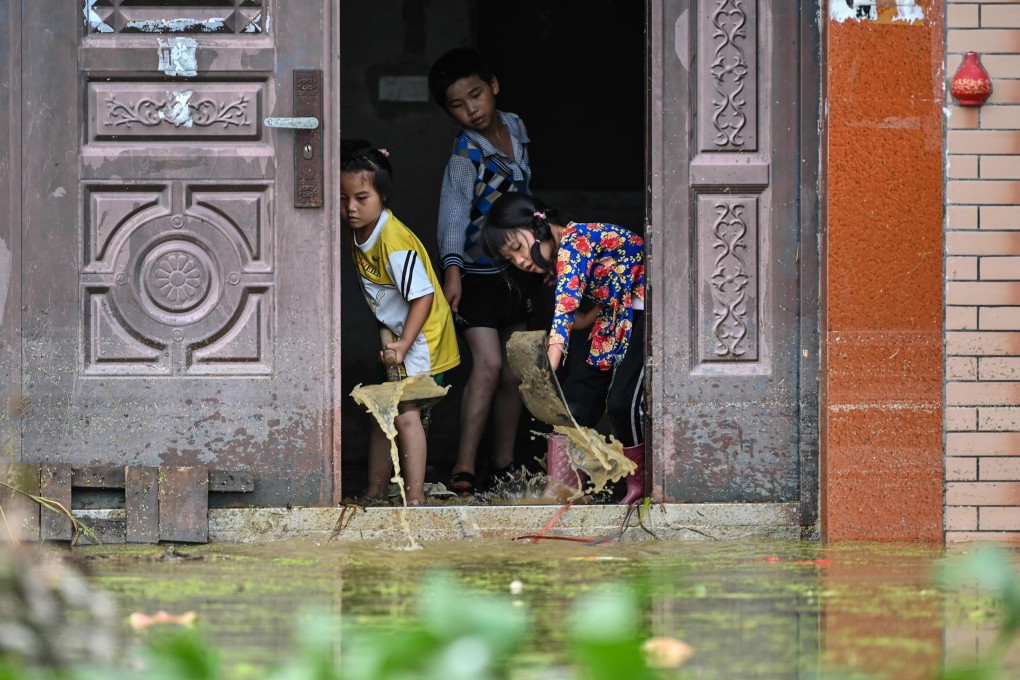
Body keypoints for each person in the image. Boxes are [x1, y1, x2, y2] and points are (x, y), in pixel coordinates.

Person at [480, 193, 647, 505]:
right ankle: (562, 488)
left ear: (538, 224)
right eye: (510, 258)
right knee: (575, 401)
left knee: (623, 402)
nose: (519, 261)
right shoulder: (561, 260)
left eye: (517, 247)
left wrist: (545, 374)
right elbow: (582, 319)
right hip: (615, 316)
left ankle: (639, 487)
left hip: (646, 314)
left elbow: (566, 316)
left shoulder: (575, 241)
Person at [428, 47, 538, 495]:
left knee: (515, 371)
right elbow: (453, 216)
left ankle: (505, 462)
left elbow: (525, 187)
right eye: (457, 104)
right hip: (476, 274)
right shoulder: (465, 155)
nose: (471, 109)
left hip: (518, 268)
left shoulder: (515, 126)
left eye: (476, 94)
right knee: (489, 366)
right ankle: (464, 467)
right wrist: (452, 272)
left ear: (493, 86)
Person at [341, 144, 460, 506]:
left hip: (422, 339)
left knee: (407, 414)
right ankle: (376, 491)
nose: (351, 207)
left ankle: (417, 498)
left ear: (383, 195)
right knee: (383, 411)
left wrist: (405, 344)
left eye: (361, 197)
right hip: (398, 339)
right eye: (343, 198)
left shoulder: (394, 242)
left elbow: (423, 297)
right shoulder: (358, 231)